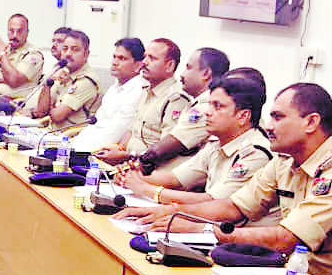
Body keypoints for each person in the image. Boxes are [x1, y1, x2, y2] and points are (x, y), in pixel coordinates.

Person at [136, 83, 332, 275]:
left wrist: (202, 229)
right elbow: (233, 207)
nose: (268, 127)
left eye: (278, 118)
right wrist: (173, 212)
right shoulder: (286, 159)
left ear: (311, 122)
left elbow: (286, 239)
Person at [117, 76, 273, 214]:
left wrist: (145, 189)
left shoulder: (256, 153)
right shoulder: (217, 143)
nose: (208, 112)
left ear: (243, 116)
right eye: (209, 104)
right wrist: (131, 179)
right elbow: (175, 178)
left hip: (238, 233)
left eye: (218, 106)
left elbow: (212, 202)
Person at [109, 46, 229, 172]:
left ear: (206, 74)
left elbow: (164, 149)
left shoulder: (204, 108)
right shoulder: (197, 104)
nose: (182, 74)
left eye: (188, 68)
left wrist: (128, 158)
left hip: (163, 175)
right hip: (157, 172)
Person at [97, 37, 192, 165]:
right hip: (128, 162)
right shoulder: (145, 90)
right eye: (144, 57)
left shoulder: (175, 99)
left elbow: (165, 150)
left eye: (152, 58)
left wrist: (125, 157)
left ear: (169, 65)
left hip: (148, 167)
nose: (144, 62)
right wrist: (119, 150)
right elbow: (132, 130)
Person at [71, 37, 148, 151]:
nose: (114, 62)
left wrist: (79, 150)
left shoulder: (139, 91)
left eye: (122, 58)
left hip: (104, 152)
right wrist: (73, 146)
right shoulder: (114, 87)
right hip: (89, 145)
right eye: (114, 57)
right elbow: (95, 124)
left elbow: (113, 136)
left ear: (138, 65)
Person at [27, 29, 101, 131]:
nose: (68, 54)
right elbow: (41, 111)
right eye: (65, 49)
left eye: (75, 49)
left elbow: (57, 116)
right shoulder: (64, 75)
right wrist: (49, 82)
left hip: (71, 137)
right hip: (52, 133)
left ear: (86, 54)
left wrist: (49, 107)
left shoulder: (86, 81)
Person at [0, 14, 44, 101]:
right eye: (11, 31)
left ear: (27, 33)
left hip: (14, 102)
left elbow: (13, 80)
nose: (14, 35)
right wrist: (4, 79)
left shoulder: (33, 55)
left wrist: (3, 54)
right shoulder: (4, 50)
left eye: (19, 31)